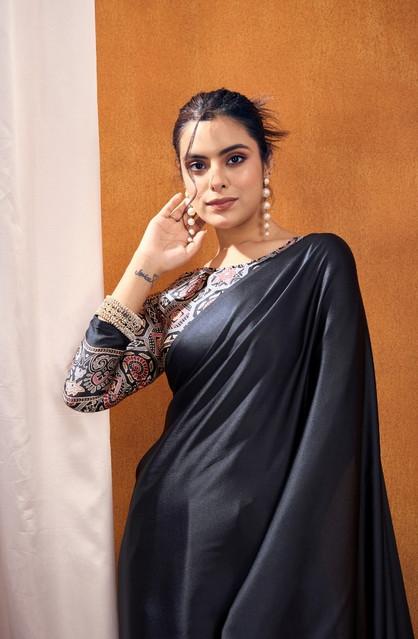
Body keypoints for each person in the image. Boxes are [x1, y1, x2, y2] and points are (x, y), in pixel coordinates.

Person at [62, 88, 414, 638]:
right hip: (170, 539)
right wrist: (144, 264)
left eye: (234, 158)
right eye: (197, 165)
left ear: (265, 163)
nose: (216, 181)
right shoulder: (182, 298)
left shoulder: (318, 263)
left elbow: (334, 430)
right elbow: (86, 389)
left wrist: (287, 554)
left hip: (271, 538)